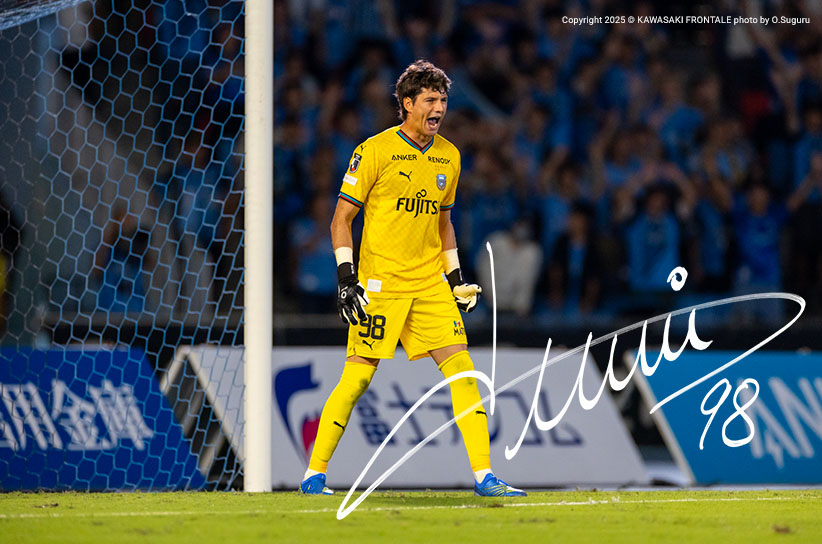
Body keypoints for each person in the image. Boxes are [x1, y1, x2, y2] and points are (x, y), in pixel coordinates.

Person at [300, 60, 526, 498]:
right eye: (430, 100)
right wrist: (347, 279)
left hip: (428, 285)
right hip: (380, 285)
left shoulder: (449, 156)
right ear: (407, 103)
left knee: (463, 372)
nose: (439, 108)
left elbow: (444, 223)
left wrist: (455, 278)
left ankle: (484, 476)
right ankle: (314, 475)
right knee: (357, 379)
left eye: (443, 100)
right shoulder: (374, 151)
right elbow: (341, 219)